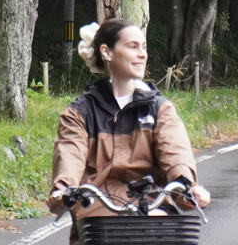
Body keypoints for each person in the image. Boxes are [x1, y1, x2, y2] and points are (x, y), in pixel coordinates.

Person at [48, 18, 210, 238]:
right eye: (132, 46)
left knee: (167, 228)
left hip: (151, 208)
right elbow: (69, 154)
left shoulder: (160, 109)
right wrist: (64, 190)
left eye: (143, 47)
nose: (142, 54)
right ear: (107, 52)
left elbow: (175, 153)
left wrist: (187, 187)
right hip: (98, 218)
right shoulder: (79, 113)